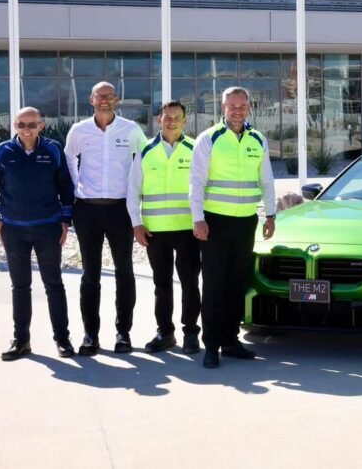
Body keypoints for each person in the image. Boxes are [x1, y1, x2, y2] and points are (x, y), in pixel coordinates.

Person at [190, 86, 276, 369]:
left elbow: (266, 180)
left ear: (249, 107)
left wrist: (271, 214)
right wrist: (198, 218)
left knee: (237, 283)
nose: (237, 110)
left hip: (246, 221)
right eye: (232, 106)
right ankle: (211, 346)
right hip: (215, 222)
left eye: (242, 106)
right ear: (223, 107)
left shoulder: (258, 139)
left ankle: (230, 341)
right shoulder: (209, 139)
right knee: (214, 286)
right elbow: (196, 182)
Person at [0, 107, 75, 361]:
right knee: (20, 286)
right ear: (15, 125)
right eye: (21, 124)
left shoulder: (53, 150)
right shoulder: (3, 151)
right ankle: (21, 340)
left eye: (32, 124)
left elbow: (65, 186)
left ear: (41, 126)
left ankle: (62, 339)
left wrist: (65, 221)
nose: (26, 129)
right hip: (14, 231)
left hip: (48, 228)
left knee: (53, 284)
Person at [64, 82, 148, 356]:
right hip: (87, 210)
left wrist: (137, 200)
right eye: (99, 96)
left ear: (117, 100)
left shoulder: (131, 130)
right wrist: (75, 191)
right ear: (91, 99)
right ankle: (90, 335)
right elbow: (68, 160)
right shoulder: (79, 130)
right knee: (91, 274)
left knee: (124, 272)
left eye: (109, 97)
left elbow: (144, 162)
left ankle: (123, 333)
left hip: (120, 210)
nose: (104, 100)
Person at [127, 100, 201, 355]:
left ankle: (191, 333)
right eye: (167, 117)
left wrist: (201, 221)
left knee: (190, 283)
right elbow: (133, 190)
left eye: (177, 117)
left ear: (185, 121)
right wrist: (136, 224)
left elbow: (203, 187)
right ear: (159, 120)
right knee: (161, 284)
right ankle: (165, 333)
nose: (172, 122)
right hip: (154, 230)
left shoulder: (195, 149)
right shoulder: (146, 150)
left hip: (187, 230)